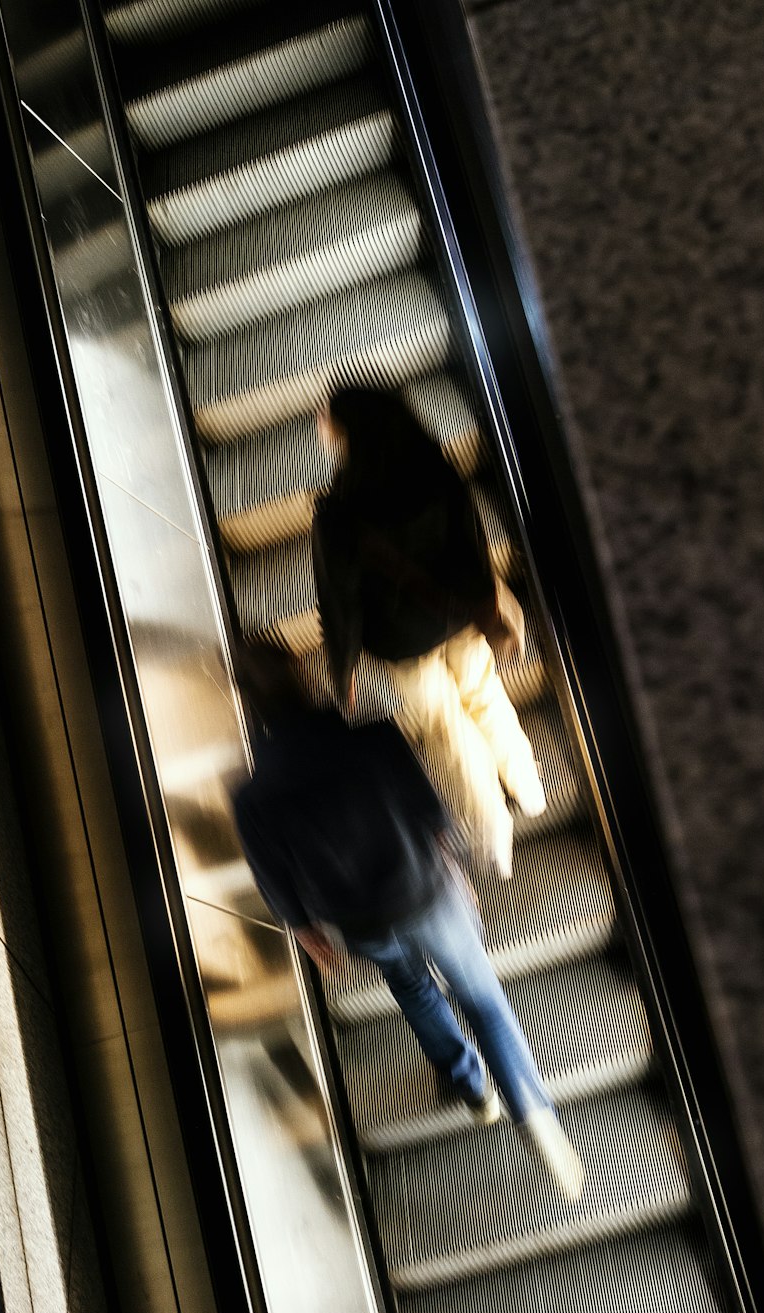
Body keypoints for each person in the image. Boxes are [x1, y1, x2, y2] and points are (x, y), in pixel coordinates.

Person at [230, 643, 584, 1201]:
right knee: (484, 1001)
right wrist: (456, 861)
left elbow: (271, 874)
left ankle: (472, 1090)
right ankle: (533, 1110)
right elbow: (429, 807)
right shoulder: (370, 736)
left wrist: (303, 928)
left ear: (251, 709)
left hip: (359, 920)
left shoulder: (253, 797)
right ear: (303, 680)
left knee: (414, 990)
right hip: (423, 890)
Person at [311, 382, 546, 880]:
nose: (320, 424)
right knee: (485, 695)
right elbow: (472, 538)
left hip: (403, 642)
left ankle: (492, 829)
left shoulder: (338, 510)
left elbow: (340, 598)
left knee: (446, 728)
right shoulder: (432, 466)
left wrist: (344, 667)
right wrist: (484, 599)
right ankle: (528, 784)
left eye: (326, 418)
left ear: (348, 430)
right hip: (457, 616)